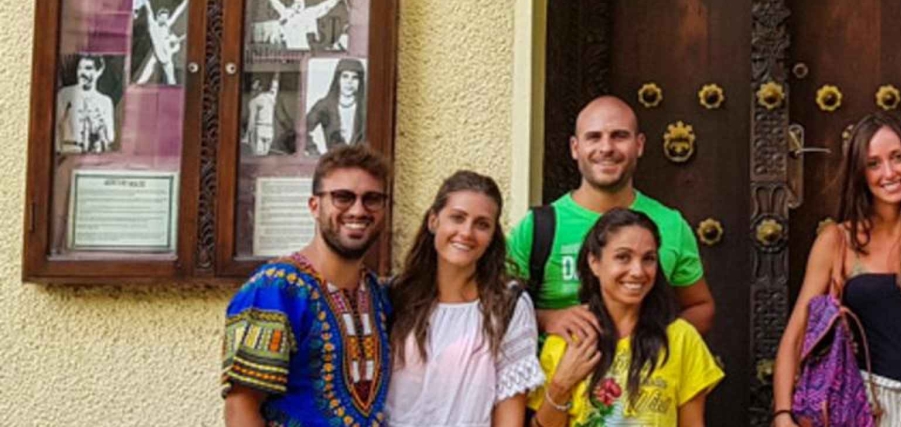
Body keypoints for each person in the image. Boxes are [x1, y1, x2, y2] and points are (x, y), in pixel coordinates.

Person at [775, 112, 901, 427]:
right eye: (873, 163)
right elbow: (795, 334)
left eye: (897, 157)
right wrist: (782, 413)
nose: (889, 172)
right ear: (860, 173)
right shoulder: (837, 241)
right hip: (864, 407)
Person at [508, 95, 714, 341]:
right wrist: (546, 319)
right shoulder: (538, 227)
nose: (606, 148)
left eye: (619, 136)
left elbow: (700, 307)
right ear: (575, 148)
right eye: (594, 137)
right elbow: (494, 305)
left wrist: (655, 343)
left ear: (639, 145)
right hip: (557, 365)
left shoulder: (671, 225)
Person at [223, 144, 393, 427]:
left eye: (372, 199)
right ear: (315, 206)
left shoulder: (379, 295)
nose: (358, 210)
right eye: (343, 197)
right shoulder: (275, 290)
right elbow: (241, 406)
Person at [531, 208, 723, 427]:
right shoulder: (568, 338)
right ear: (594, 262)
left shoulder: (680, 338)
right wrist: (561, 385)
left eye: (648, 259)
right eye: (623, 257)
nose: (637, 271)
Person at [387, 170, 545, 427]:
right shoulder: (397, 295)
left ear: (492, 235)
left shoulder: (507, 304)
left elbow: (509, 414)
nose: (467, 232)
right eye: (457, 218)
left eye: (482, 224)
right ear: (434, 221)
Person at [55, 54, 115, 154]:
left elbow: (110, 137)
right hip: (70, 151)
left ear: (99, 71)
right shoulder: (66, 94)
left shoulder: (105, 101)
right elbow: (55, 126)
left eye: (88, 68)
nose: (82, 73)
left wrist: (101, 125)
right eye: (79, 68)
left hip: (94, 154)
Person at [307, 58, 367, 154]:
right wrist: (314, 152)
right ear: (338, 79)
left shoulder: (366, 108)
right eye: (345, 76)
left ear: (360, 82)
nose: (349, 82)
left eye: (355, 77)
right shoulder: (324, 106)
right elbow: (301, 131)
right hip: (334, 161)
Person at [266, 0, 346, 52]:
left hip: (304, 49)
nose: (299, 5)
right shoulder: (286, 13)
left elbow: (325, 6)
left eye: (301, 3)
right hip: (290, 50)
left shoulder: (307, 13)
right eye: (297, 3)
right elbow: (276, 4)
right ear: (292, 4)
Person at [134, 0, 188, 85]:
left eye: (165, 18)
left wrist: (186, 2)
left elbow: (176, 14)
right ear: (158, 17)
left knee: (171, 80)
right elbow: (149, 11)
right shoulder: (153, 25)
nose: (164, 20)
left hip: (167, 57)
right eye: (162, 18)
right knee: (144, 77)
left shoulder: (167, 26)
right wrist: (145, 0)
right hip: (157, 54)